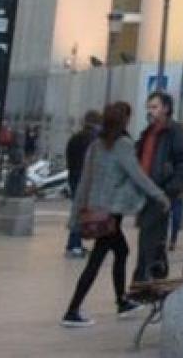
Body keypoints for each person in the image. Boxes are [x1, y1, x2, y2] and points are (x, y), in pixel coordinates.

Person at [62, 101, 168, 328]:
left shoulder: (96, 145)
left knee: (121, 251)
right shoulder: (122, 145)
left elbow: (84, 181)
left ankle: (121, 301)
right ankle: (72, 310)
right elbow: (137, 175)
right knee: (96, 260)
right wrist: (159, 195)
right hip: (110, 214)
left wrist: (76, 213)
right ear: (124, 120)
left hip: (96, 210)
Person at [133, 91, 183, 284]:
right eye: (149, 107)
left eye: (155, 107)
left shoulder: (175, 132)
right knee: (152, 233)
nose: (150, 111)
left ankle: (141, 276)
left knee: (148, 232)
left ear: (166, 108)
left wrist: (172, 188)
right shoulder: (148, 133)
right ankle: (157, 269)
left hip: (161, 191)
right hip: (147, 190)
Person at [64, 111, 100, 259]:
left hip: (73, 176)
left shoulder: (74, 138)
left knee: (77, 211)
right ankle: (74, 246)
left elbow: (69, 158)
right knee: (81, 213)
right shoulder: (94, 140)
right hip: (85, 179)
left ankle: (75, 243)